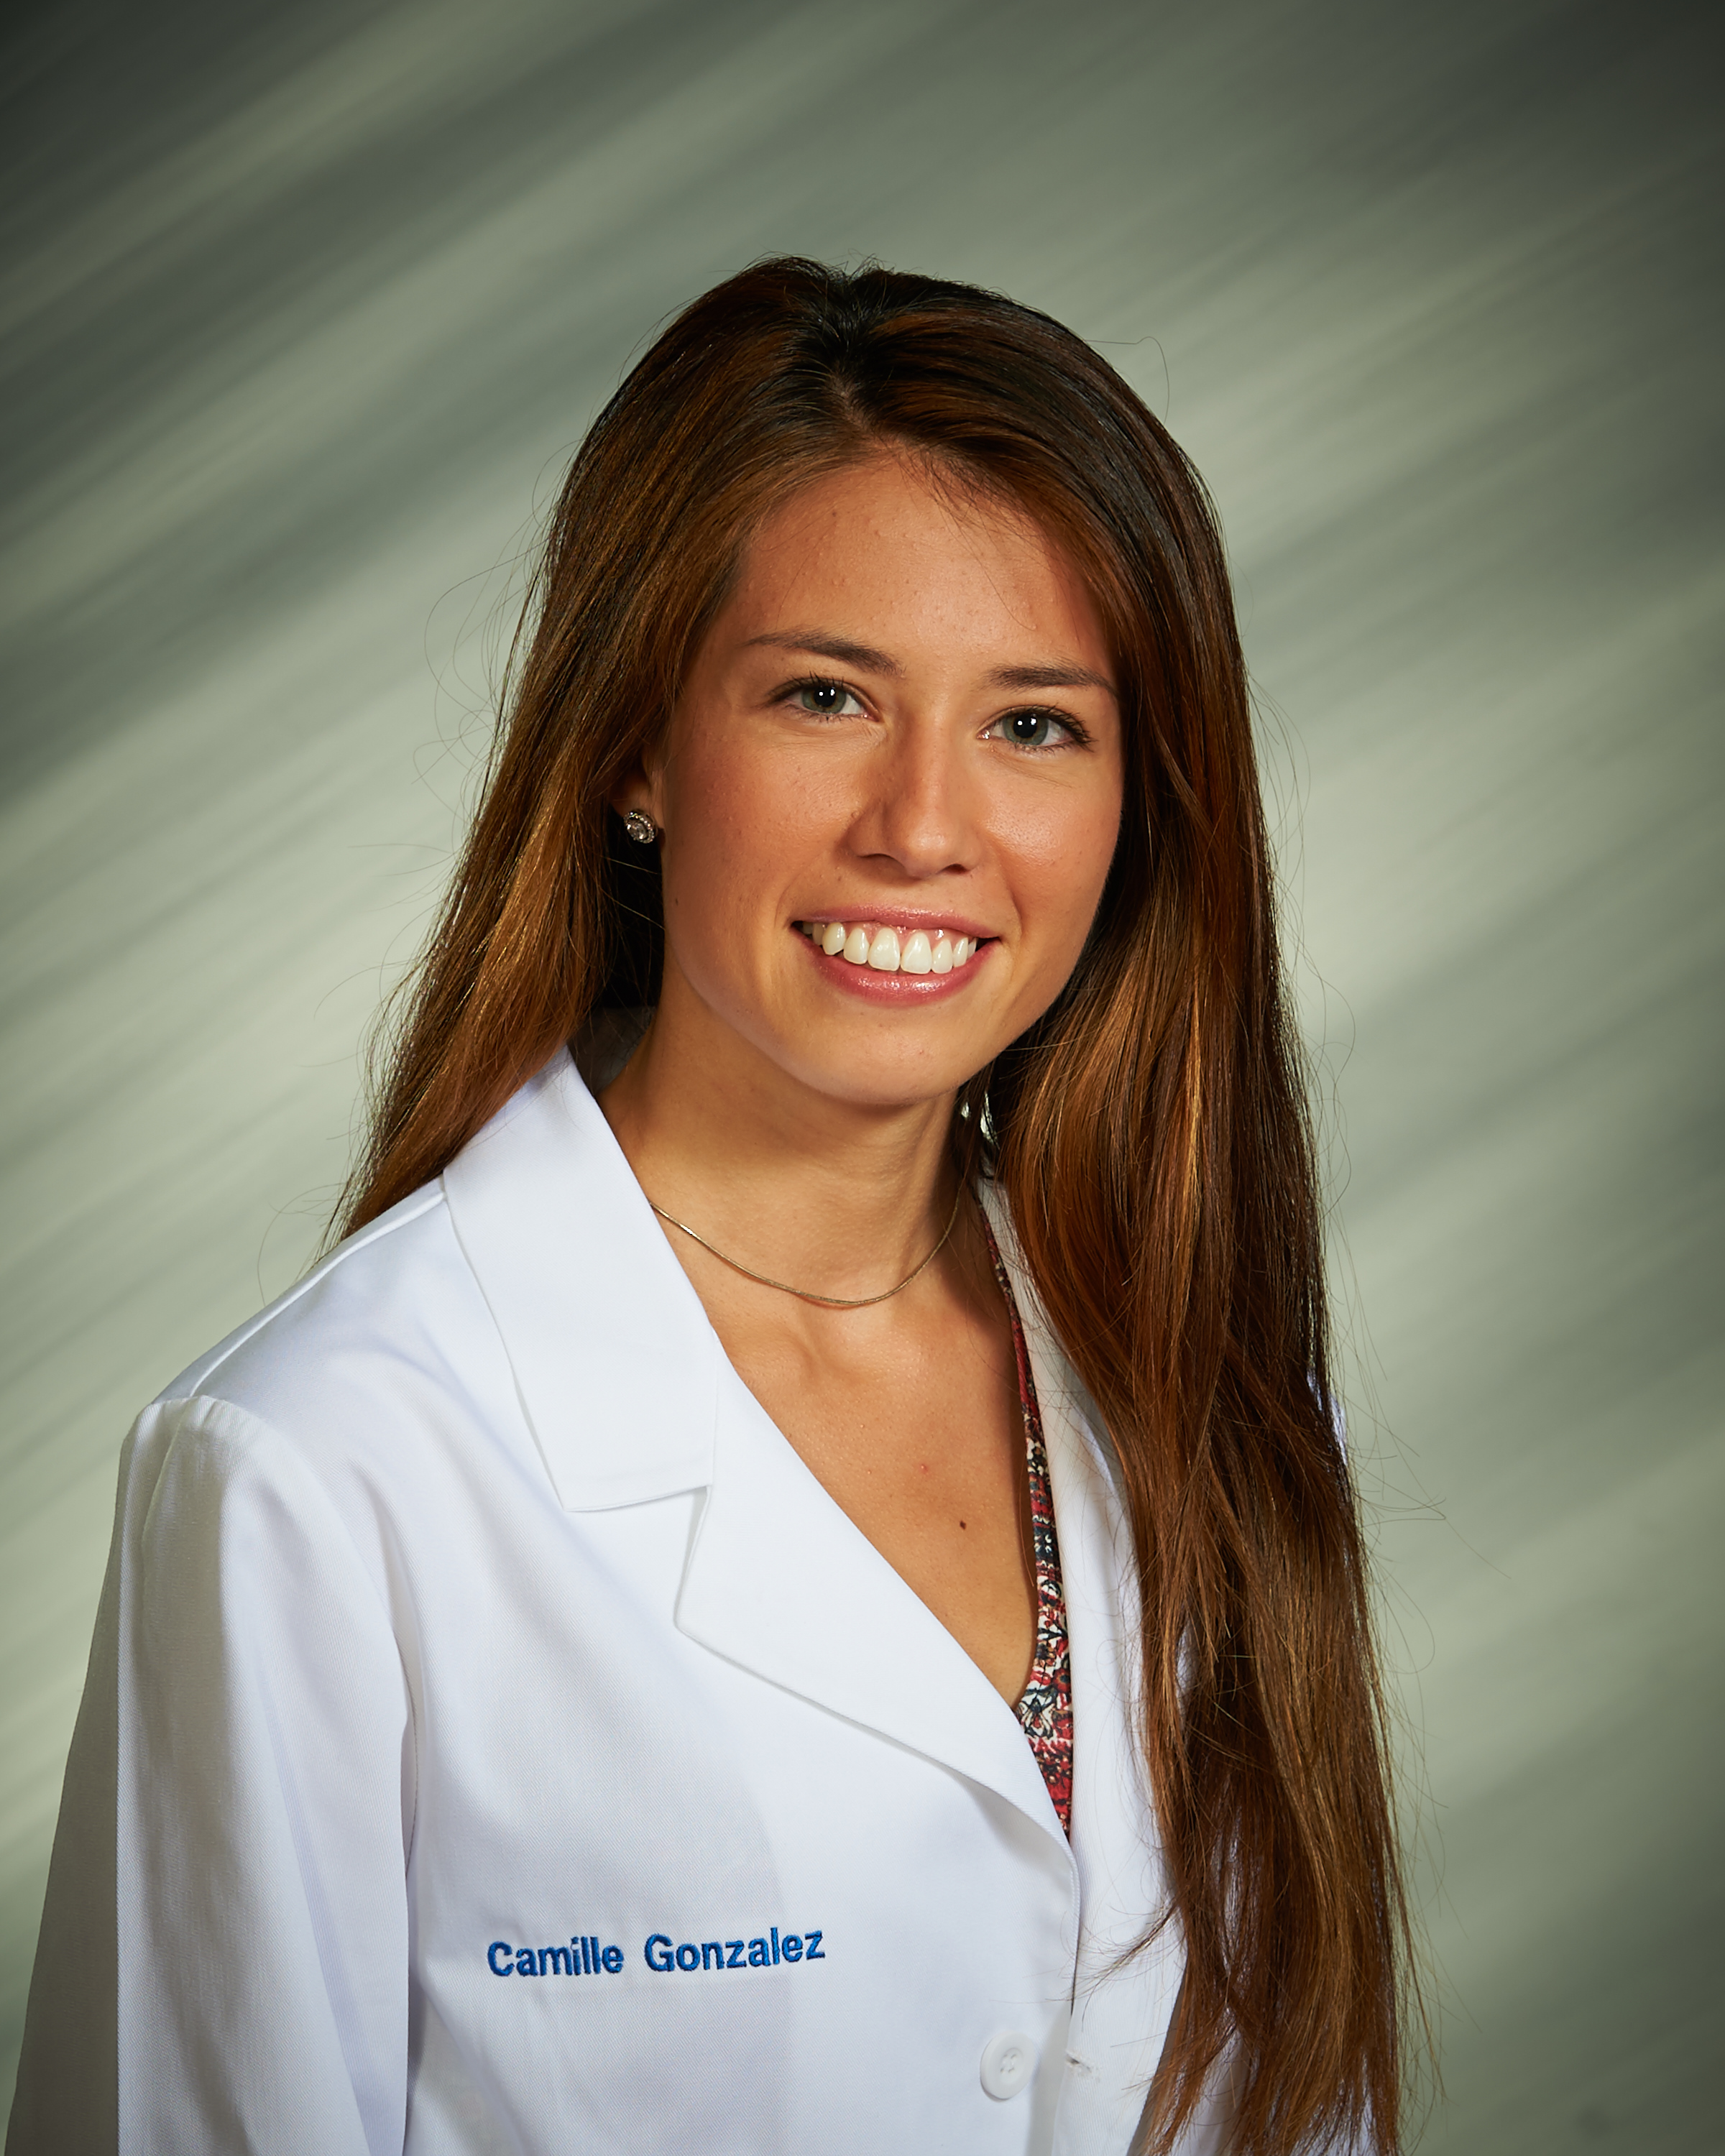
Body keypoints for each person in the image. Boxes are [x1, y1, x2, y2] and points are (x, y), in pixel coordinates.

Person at [8, 259, 1416, 2155]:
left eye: (1033, 726)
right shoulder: (314, 1470)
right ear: (639, 748)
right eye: (826, 696)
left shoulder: (1211, 1392)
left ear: (1140, 802)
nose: (924, 828)